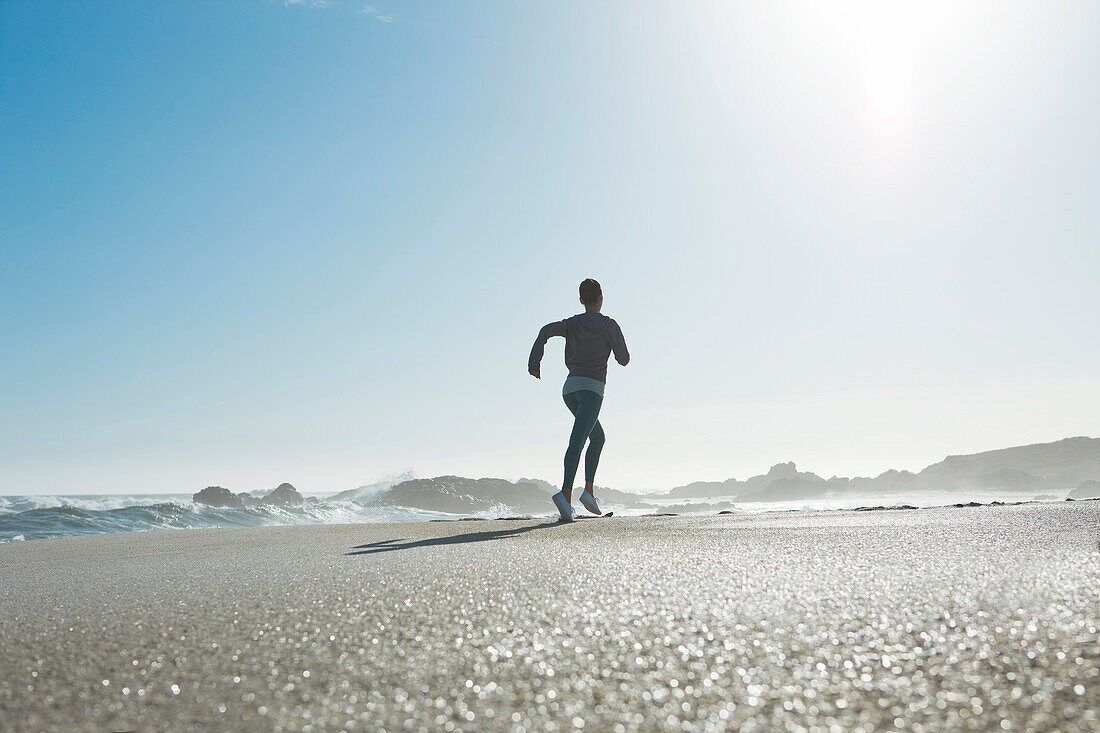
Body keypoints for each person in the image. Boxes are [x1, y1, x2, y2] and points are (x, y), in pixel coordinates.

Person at [528, 278, 630, 521]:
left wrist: (534, 362)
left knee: (597, 437)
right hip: (592, 390)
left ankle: (588, 491)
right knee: (578, 440)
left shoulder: (572, 324)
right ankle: (565, 495)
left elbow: (545, 331)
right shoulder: (608, 325)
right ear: (601, 297)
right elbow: (624, 358)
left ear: (581, 300)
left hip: (570, 390)